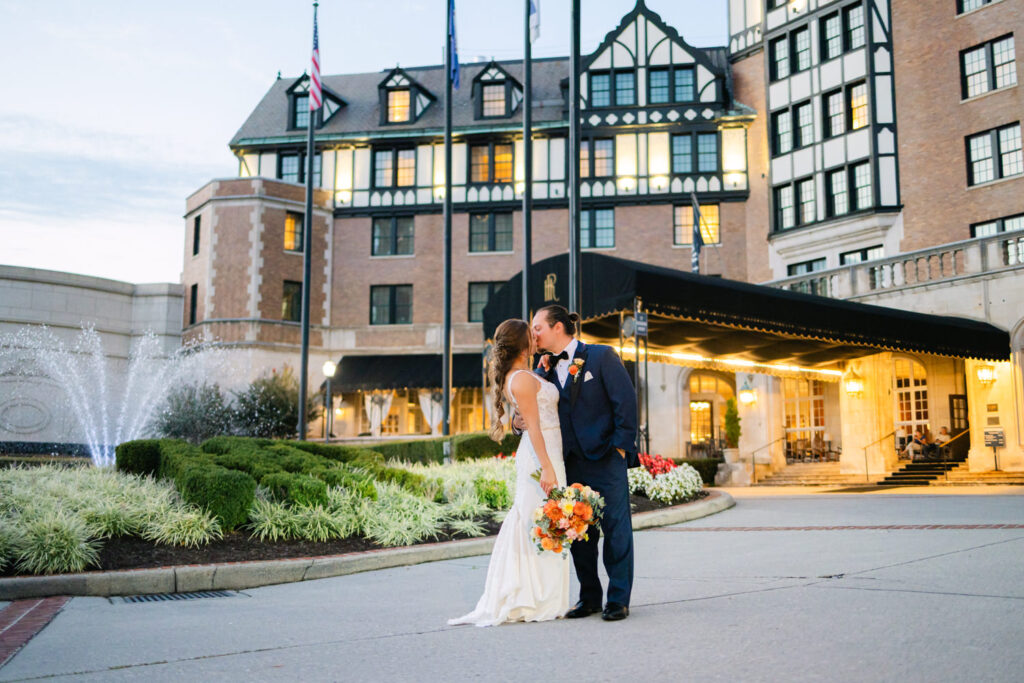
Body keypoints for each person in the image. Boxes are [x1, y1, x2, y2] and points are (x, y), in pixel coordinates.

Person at [448, 319, 568, 627]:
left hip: (546, 452)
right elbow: (536, 429)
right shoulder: (523, 379)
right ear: (523, 344)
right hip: (542, 455)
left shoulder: (522, 375)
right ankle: (534, 596)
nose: (536, 338)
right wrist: (548, 468)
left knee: (544, 519)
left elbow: (527, 420)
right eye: (532, 335)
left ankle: (543, 593)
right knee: (540, 521)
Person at [530, 305, 638, 622]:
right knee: (579, 533)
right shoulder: (543, 371)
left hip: (606, 459)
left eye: (538, 327)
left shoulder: (602, 356)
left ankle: (618, 599)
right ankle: (589, 597)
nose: (533, 332)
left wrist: (619, 449)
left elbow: (626, 403)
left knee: (617, 531)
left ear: (558, 327)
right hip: (570, 464)